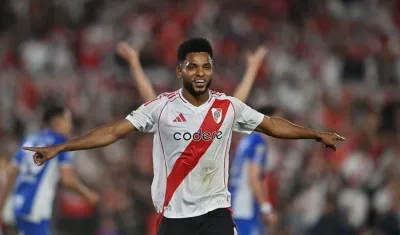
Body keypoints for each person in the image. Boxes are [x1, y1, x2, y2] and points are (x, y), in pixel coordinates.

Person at [23, 38, 344, 235]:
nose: (201, 72)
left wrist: (316, 135)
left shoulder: (228, 106)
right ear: (180, 71)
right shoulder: (160, 108)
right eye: (193, 66)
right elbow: (111, 132)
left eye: (206, 66)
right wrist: (61, 146)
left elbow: (273, 125)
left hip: (215, 212)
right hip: (174, 216)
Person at [0, 105, 99, 235]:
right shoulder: (61, 142)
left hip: (17, 205)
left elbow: (11, 173)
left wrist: (1, 204)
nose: (71, 125)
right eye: (68, 120)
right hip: (36, 208)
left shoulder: (29, 140)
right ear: (57, 121)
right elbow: (67, 179)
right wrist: (87, 194)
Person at [116, 41, 268, 103]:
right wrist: (135, 63)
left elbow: (237, 101)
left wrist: (252, 69)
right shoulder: (172, 110)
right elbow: (150, 99)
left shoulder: (214, 112)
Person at [230, 105, 281, 235]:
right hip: (245, 205)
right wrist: (266, 208)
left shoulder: (247, 139)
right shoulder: (258, 142)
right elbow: (253, 178)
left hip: (236, 200)